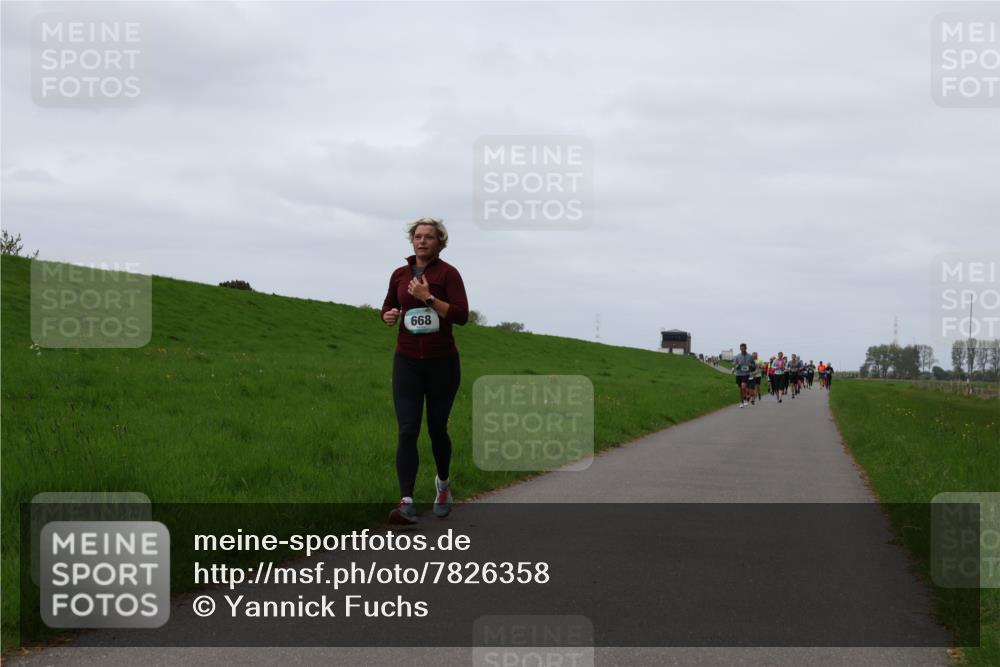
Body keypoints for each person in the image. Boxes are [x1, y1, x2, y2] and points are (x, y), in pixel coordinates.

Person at [380, 218, 469, 525]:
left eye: (429, 237)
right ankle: (406, 503)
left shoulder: (448, 274)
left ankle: (443, 485)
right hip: (406, 362)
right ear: (412, 241)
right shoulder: (399, 274)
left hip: (442, 363)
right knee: (407, 429)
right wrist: (388, 315)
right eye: (418, 236)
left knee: (436, 429)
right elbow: (388, 306)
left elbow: (461, 315)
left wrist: (428, 298)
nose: (422, 241)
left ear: (439, 243)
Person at [732, 343, 756, 408]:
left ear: (746, 348)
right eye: (741, 349)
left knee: (743, 386)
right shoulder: (737, 356)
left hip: (746, 374)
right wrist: (738, 365)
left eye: (744, 348)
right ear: (740, 349)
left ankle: (745, 398)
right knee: (740, 389)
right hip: (739, 374)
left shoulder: (750, 356)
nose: (742, 350)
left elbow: (754, 367)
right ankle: (741, 402)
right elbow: (734, 366)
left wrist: (751, 366)